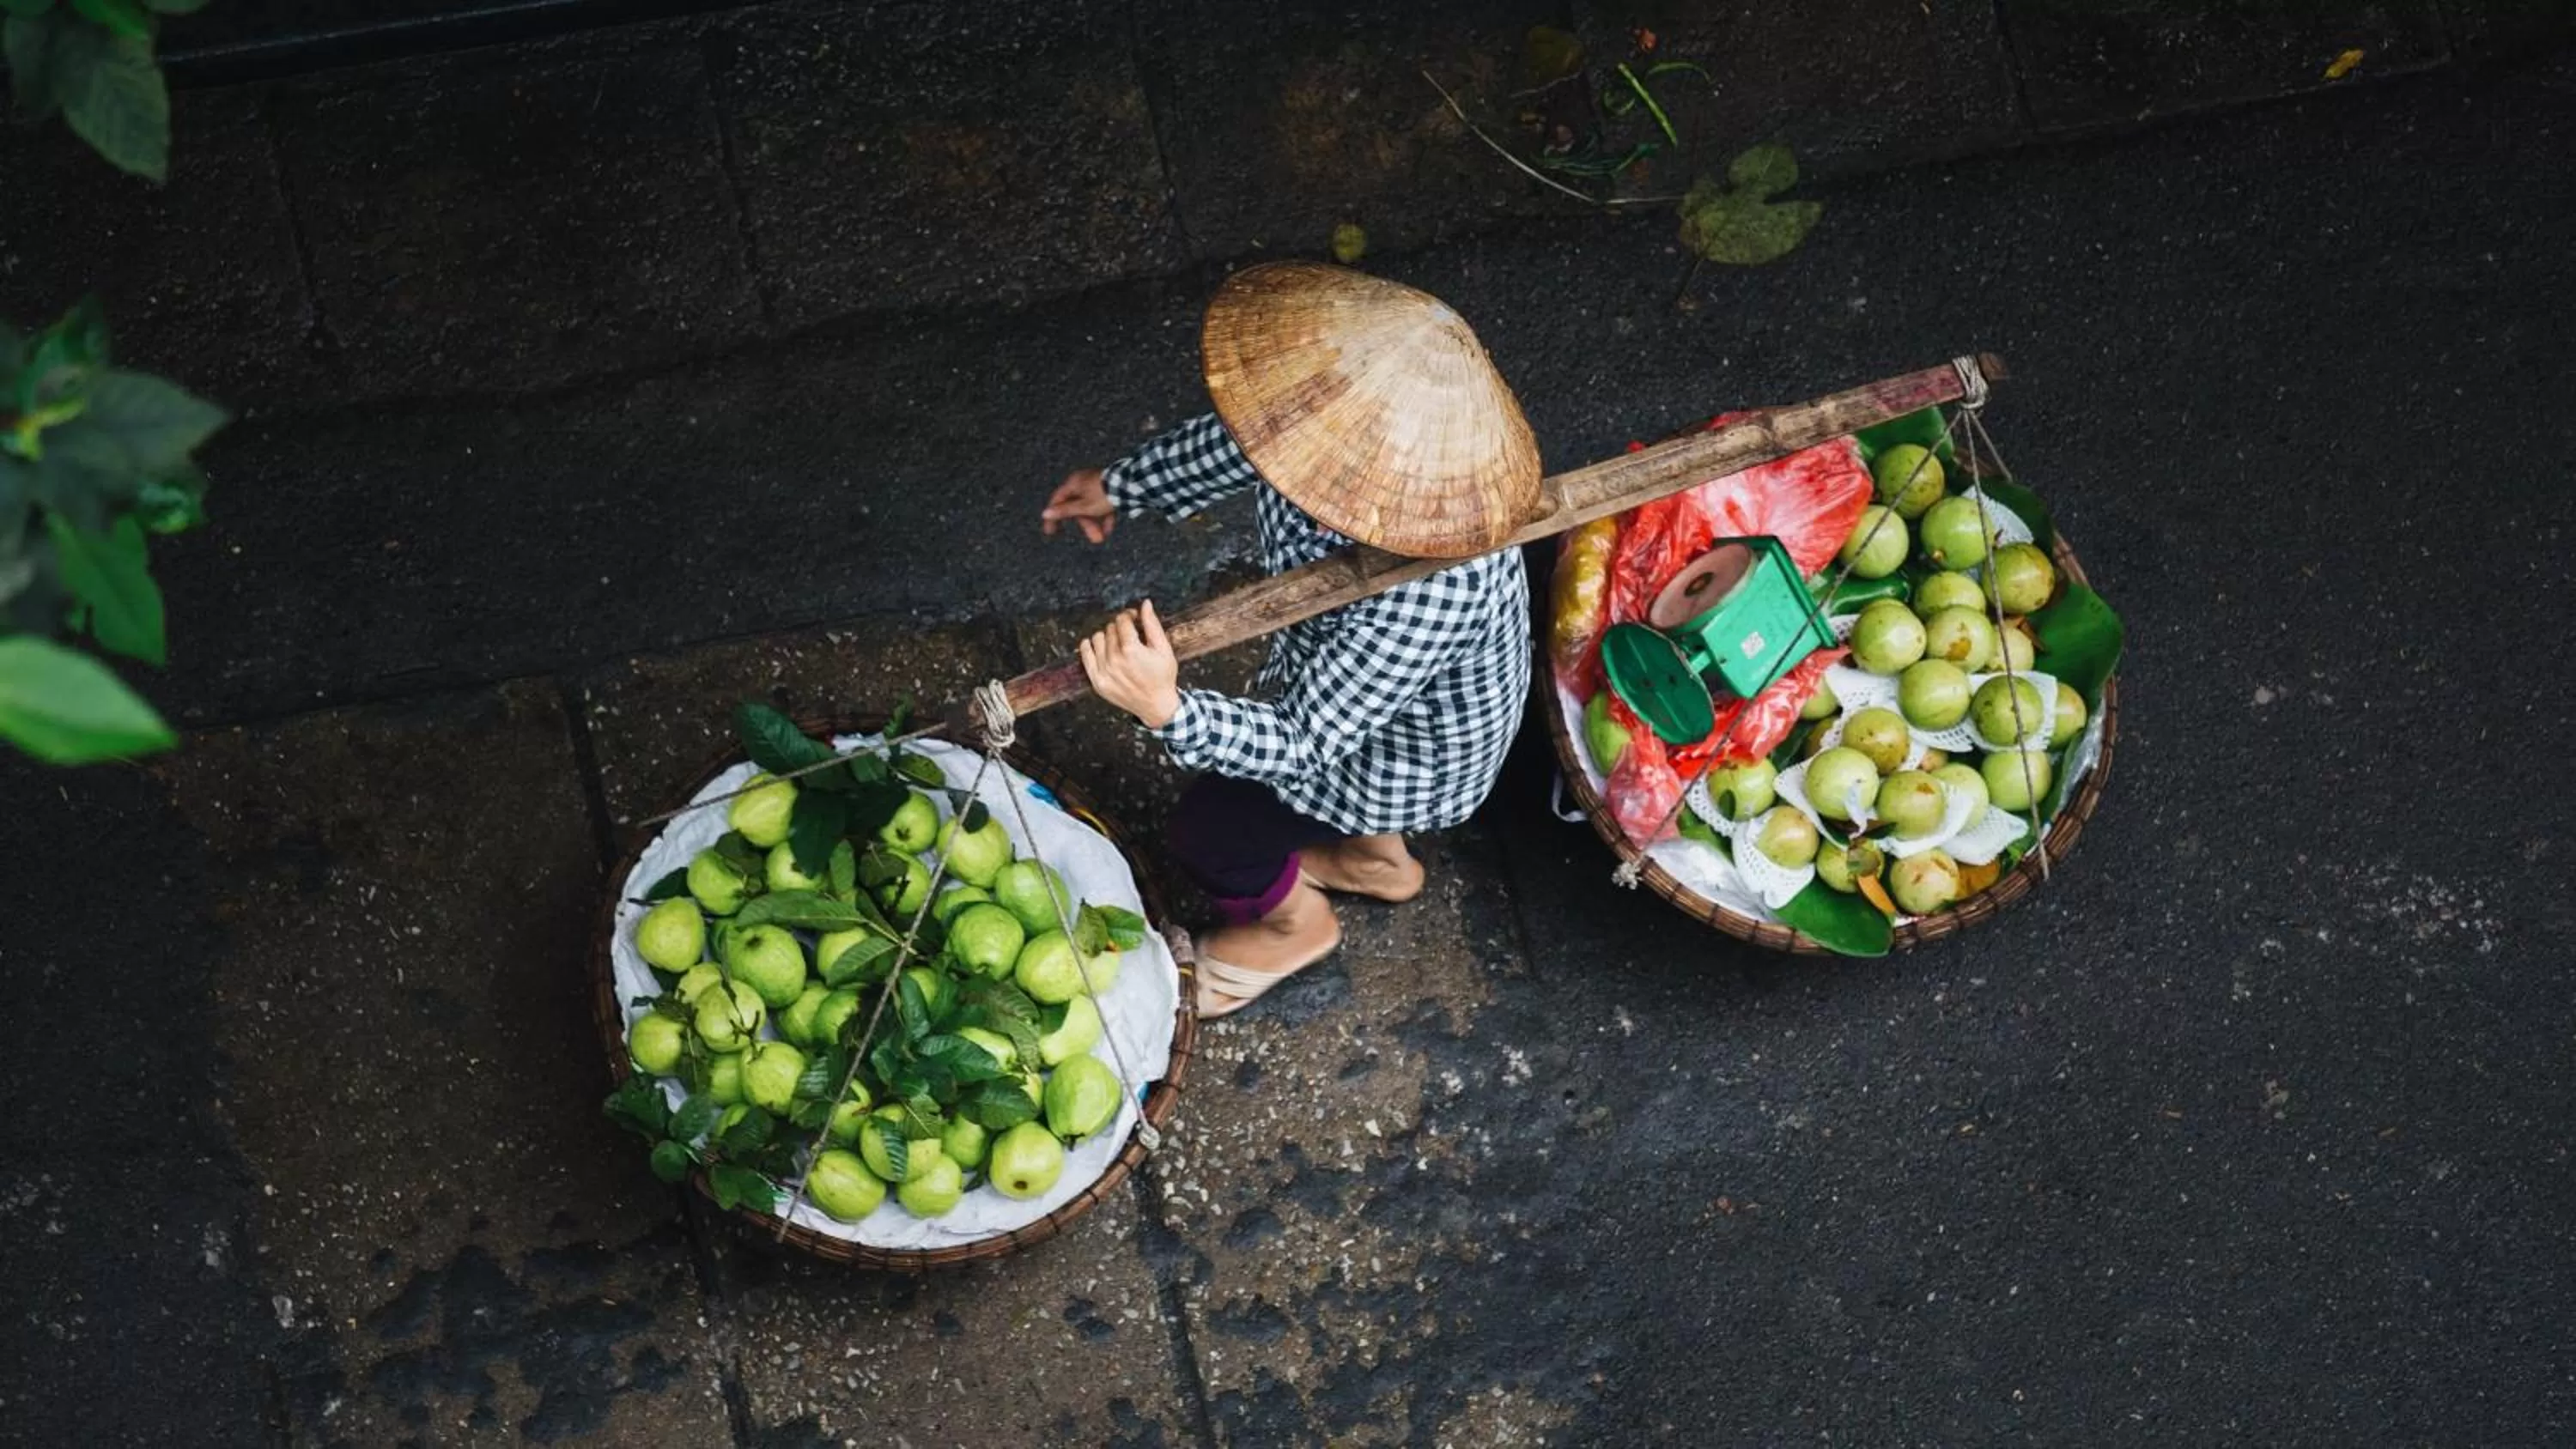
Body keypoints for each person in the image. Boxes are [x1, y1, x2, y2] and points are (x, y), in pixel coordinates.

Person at [1038, 262, 1542, 1019]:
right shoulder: (1321, 435)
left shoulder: (1431, 587)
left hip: (1405, 752)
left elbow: (1306, 740)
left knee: (1211, 831)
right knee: (1336, 789)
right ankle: (1379, 861)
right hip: (1364, 694)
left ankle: (1293, 928)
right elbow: (1240, 444)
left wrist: (1168, 708)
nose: (1291, 455)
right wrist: (1127, 484)